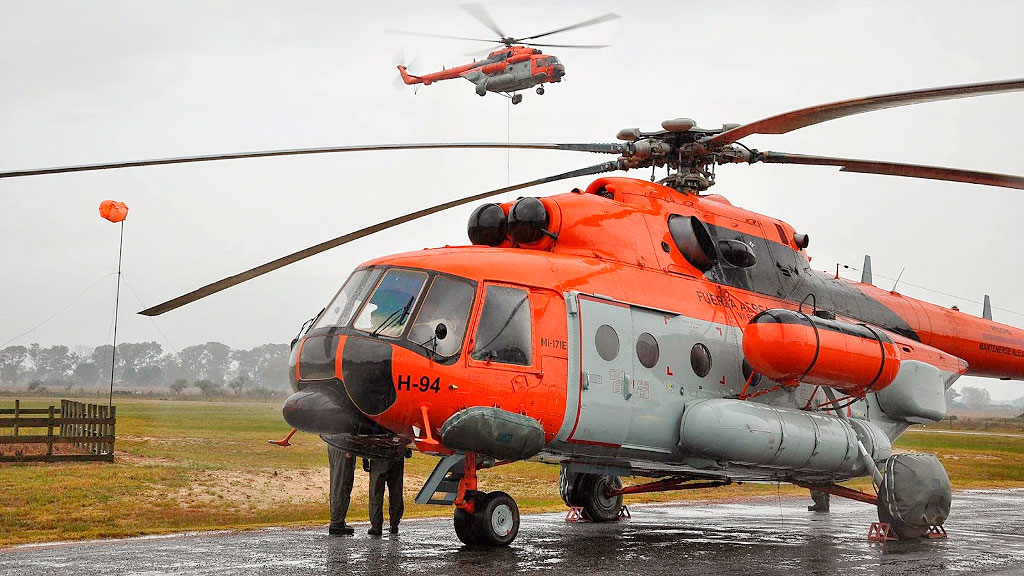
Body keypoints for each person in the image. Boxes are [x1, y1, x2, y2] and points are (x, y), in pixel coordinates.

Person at [367, 450, 408, 536]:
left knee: (376, 491)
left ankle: (376, 526)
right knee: (396, 491)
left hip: (379, 454)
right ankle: (394, 524)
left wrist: (365, 458)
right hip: (397, 454)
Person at [327, 444, 356, 535]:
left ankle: (337, 519)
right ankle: (337, 522)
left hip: (333, 442)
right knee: (342, 482)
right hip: (344, 445)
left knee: (336, 481)